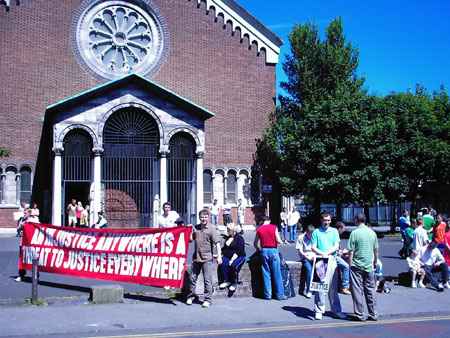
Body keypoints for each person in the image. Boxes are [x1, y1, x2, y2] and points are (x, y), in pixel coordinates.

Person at [310, 212, 344, 320]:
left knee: (333, 286)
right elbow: (313, 247)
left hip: (332, 259)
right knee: (320, 286)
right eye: (325, 220)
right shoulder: (316, 232)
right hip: (320, 260)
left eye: (329, 220)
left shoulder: (334, 231)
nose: (327, 222)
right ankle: (319, 310)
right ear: (321, 220)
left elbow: (336, 245)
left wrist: (328, 253)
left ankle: (336, 310)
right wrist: (322, 253)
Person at [186, 209, 222, 308]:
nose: (203, 219)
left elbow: (217, 243)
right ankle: (191, 296)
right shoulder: (196, 228)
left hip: (207, 258)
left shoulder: (212, 228)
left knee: (207, 280)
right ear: (199, 218)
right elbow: (190, 239)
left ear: (208, 217)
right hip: (196, 257)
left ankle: (207, 300)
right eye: (202, 217)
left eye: (205, 217)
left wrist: (219, 256)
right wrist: (190, 230)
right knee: (192, 278)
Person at [347, 213, 379, 321]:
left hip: (356, 265)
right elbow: (376, 249)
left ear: (356, 220)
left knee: (357, 290)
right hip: (369, 265)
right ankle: (373, 313)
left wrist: (350, 264)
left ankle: (360, 314)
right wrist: (375, 261)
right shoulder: (372, 233)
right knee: (370, 290)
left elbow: (351, 251)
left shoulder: (354, 233)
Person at [254, 216, 286, 300]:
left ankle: (268, 295)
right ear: (269, 220)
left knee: (266, 273)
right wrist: (281, 242)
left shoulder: (259, 229)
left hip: (264, 251)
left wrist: (259, 249)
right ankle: (280, 294)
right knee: (277, 273)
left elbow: (255, 243)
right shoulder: (273, 227)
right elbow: (278, 240)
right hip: (273, 250)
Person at [219, 223, 246, 292]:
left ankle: (234, 283)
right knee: (223, 263)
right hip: (228, 256)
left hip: (239, 256)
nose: (227, 231)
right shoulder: (228, 238)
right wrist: (219, 255)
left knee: (234, 265)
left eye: (228, 230)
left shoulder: (239, 238)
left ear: (233, 230)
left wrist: (232, 260)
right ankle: (226, 280)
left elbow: (239, 251)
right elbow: (224, 249)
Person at [296, 223, 315, 298]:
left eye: (312, 234)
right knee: (309, 270)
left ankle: (318, 289)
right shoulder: (301, 237)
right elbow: (299, 250)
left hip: (314, 256)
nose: (311, 236)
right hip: (305, 256)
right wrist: (305, 256)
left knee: (320, 270)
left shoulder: (315, 236)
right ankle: (309, 290)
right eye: (310, 234)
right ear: (306, 232)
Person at [335, 221, 351, 295]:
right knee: (346, 266)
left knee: (348, 259)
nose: (343, 232)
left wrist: (342, 252)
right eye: (343, 230)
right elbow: (335, 250)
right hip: (333, 256)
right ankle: (345, 287)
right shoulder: (335, 235)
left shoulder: (336, 234)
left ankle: (345, 284)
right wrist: (341, 253)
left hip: (336, 255)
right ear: (339, 228)